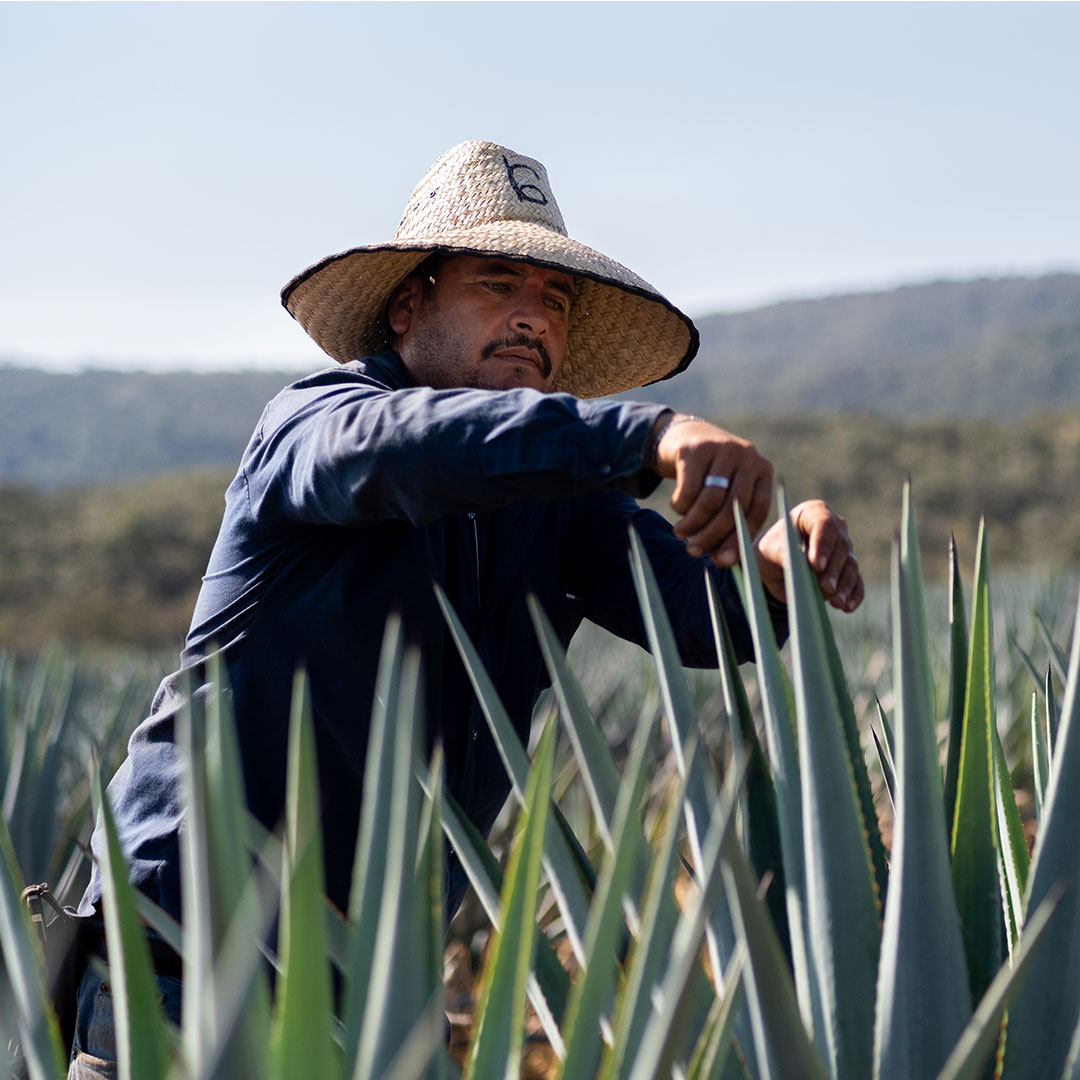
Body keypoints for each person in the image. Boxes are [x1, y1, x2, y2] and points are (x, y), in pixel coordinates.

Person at [67, 140, 863, 1074]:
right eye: (497, 282)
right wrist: (643, 433)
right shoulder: (319, 423)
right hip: (182, 969)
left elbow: (694, 615)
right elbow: (407, 449)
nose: (533, 315)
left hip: (368, 993)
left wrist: (775, 575)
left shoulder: (563, 506)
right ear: (408, 307)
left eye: (556, 299)